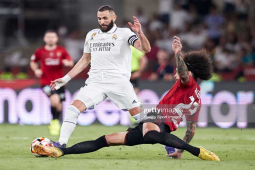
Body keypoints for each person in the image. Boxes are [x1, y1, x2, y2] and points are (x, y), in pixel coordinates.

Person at [34, 36, 220, 161]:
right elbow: (191, 128)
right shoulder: (197, 97)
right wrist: (179, 151)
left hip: (157, 121)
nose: (175, 75)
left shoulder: (188, 83)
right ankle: (61, 151)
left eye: (179, 71)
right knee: (104, 140)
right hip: (158, 123)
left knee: (151, 134)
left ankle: (196, 151)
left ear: (189, 71)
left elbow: (183, 74)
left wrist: (178, 54)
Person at [49, 5, 151, 147]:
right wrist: (66, 78)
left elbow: (145, 49)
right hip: (95, 82)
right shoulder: (92, 35)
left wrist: (140, 33)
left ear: (113, 18)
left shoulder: (125, 33)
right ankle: (61, 144)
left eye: (105, 18)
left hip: (118, 82)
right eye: (99, 18)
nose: (102, 21)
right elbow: (85, 60)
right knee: (72, 109)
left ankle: (167, 143)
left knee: (142, 118)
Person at [30, 30, 74, 135]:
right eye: (48, 37)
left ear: (56, 39)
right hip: (46, 82)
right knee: (55, 99)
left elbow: (71, 62)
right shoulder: (39, 51)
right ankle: (54, 123)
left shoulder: (62, 50)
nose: (50, 39)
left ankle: (55, 121)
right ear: (45, 39)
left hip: (60, 82)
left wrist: (67, 63)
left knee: (59, 104)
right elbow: (33, 62)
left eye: (52, 37)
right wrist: (36, 70)